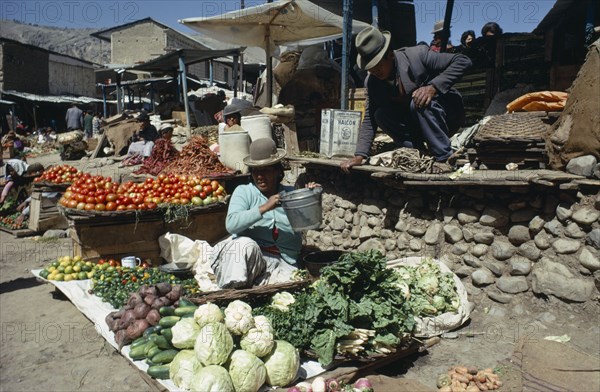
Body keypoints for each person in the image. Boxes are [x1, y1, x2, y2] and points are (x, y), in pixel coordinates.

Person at [341, 26, 471, 174]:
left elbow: (462, 61)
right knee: (380, 114)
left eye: (378, 65)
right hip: (415, 124)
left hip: (445, 117)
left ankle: (444, 157)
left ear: (390, 55)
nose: (375, 72)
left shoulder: (417, 55)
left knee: (419, 100)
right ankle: (417, 152)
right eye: (370, 68)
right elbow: (369, 119)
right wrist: (360, 155)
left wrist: (433, 87)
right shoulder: (372, 82)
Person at [210, 138, 320, 289]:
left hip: (282, 262)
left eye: (266, 170)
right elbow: (232, 224)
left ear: (277, 171)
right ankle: (232, 292)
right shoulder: (244, 192)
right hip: (250, 260)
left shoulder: (290, 194)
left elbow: (311, 222)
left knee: (289, 289)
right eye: (256, 171)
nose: (260, 176)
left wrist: (311, 196)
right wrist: (264, 208)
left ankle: (253, 288)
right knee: (243, 244)